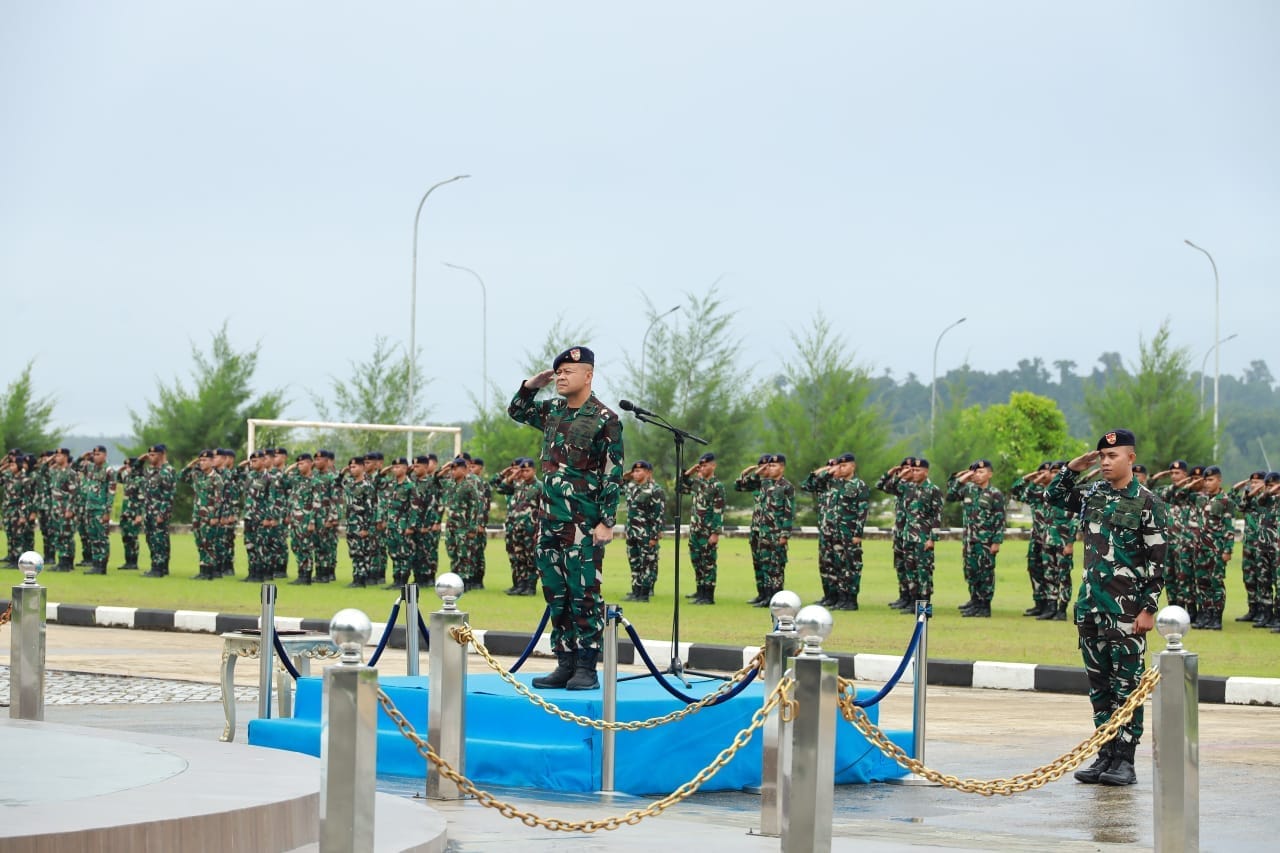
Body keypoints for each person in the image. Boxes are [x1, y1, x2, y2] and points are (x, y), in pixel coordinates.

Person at [1046, 428, 1166, 787]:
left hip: (1127, 610)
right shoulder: (1093, 495)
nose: (1105, 461)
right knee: (1099, 686)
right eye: (1101, 456)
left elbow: (1158, 560)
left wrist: (1148, 609)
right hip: (1091, 607)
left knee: (1126, 685)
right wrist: (1072, 468)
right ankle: (1105, 752)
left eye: (1112, 456)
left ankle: (1125, 760)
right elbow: (1053, 495)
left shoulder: (1147, 502)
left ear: (1131, 458)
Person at [508, 345, 623, 691]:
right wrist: (531, 384)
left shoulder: (605, 419)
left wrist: (606, 521)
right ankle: (565, 662)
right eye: (558, 372)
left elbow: (612, 473)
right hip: (549, 521)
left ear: (588, 375)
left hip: (583, 525)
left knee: (584, 594)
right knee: (555, 593)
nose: (561, 376)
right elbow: (517, 410)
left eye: (568, 372)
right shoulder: (552, 411)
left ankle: (586, 666)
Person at [803, 453, 869, 611]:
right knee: (828, 565)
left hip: (847, 534)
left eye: (843, 465)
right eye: (837, 466)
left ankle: (850, 600)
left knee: (849, 567)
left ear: (853, 466)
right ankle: (832, 596)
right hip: (828, 533)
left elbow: (862, 511)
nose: (839, 469)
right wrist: (825, 471)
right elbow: (807, 485)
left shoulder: (859, 485)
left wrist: (858, 534)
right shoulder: (831, 484)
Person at [945, 459, 1006, 617]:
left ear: (990, 474)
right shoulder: (968, 489)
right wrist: (963, 477)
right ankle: (975, 602)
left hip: (986, 542)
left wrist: (996, 541)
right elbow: (950, 495)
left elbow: (1000, 519)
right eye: (975, 472)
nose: (977, 475)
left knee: (985, 573)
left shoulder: (995, 494)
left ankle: (984, 606)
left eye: (981, 472)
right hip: (969, 540)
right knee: (971, 572)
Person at [735, 453, 795, 607]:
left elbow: (789, 512)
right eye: (768, 466)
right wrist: (752, 473)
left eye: (773, 465)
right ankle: (767, 596)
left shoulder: (786, 486)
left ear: (782, 467)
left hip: (776, 533)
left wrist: (785, 534)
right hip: (763, 533)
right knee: (765, 565)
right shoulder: (766, 484)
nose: (770, 468)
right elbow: (743, 486)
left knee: (776, 567)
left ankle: (777, 598)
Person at [679, 451, 725, 605]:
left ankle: (708, 595)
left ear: (713, 466)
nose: (702, 469)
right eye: (701, 466)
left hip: (707, 531)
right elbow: (680, 486)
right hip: (696, 530)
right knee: (697, 561)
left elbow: (718, 511)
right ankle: (700, 591)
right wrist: (690, 472)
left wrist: (715, 533)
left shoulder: (717, 486)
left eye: (705, 466)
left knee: (708, 563)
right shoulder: (699, 484)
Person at [494, 457, 541, 596]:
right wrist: (514, 475)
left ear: (534, 470)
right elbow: (501, 488)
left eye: (527, 470)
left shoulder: (539, 487)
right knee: (519, 557)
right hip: (516, 528)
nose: (525, 473)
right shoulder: (518, 485)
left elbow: (543, 510)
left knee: (530, 558)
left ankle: (530, 586)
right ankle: (521, 584)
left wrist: (538, 530)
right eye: (523, 470)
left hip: (530, 529)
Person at [622, 459, 666, 602]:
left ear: (648, 472)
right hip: (632, 532)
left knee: (647, 563)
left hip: (646, 533)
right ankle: (636, 591)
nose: (635, 474)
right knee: (634, 562)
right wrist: (626, 475)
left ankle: (645, 593)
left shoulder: (655, 490)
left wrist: (654, 536)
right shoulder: (631, 487)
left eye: (639, 471)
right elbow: (616, 485)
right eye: (634, 471)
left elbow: (658, 514)